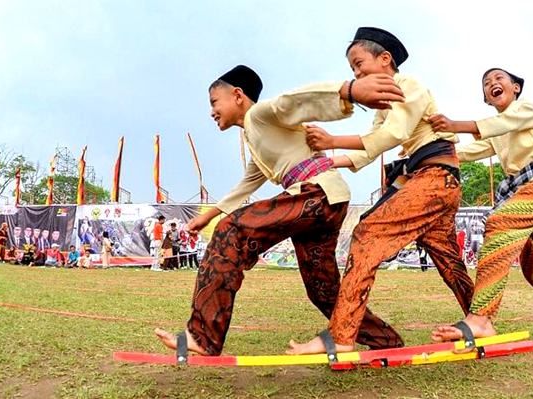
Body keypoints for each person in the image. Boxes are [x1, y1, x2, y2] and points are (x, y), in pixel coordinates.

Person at [154, 62, 408, 356]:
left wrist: (348, 91)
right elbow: (247, 183)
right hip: (328, 201)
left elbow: (294, 101)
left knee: (230, 232)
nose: (211, 112)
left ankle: (203, 335)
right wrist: (208, 215)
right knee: (321, 289)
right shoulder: (254, 138)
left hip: (316, 194)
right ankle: (385, 340)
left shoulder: (261, 116)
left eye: (214, 102)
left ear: (237, 95)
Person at [288, 27, 475, 355]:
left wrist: (331, 141)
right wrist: (324, 163)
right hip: (433, 179)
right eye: (352, 70)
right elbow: (368, 150)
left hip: (433, 178)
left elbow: (393, 134)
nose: (357, 74)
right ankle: (480, 318)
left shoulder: (410, 86)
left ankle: (342, 335)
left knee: (366, 234)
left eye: (360, 64)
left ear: (385, 59)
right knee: (446, 255)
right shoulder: (382, 106)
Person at [417, 68, 533, 348]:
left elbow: (501, 124)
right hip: (522, 191)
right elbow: (465, 152)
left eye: (499, 79)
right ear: (487, 99)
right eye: (486, 84)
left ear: (515, 88)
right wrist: (426, 155)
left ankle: (481, 319)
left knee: (498, 222)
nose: (492, 84)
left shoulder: (525, 109)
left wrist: (454, 125)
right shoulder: (495, 132)